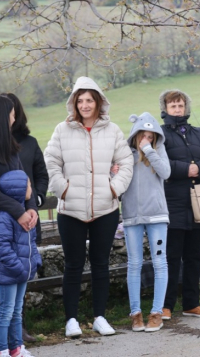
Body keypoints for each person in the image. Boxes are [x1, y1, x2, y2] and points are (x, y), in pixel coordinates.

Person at [44, 77, 133, 337]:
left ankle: (100, 317)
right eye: (80, 100)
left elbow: (126, 163)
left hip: (105, 209)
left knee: (100, 264)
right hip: (70, 210)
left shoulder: (113, 130)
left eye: (89, 100)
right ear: (74, 103)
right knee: (72, 265)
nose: (84, 105)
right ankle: (71, 320)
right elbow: (51, 160)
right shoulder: (62, 129)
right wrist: (64, 189)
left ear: (98, 102)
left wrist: (113, 189)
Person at [159, 89, 200, 319]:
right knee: (171, 257)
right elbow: (160, 163)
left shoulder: (199, 133)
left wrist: (199, 168)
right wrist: (187, 169)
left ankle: (192, 304)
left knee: (194, 256)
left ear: (186, 107)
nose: (177, 109)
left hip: (199, 203)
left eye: (180, 105)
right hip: (172, 203)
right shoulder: (160, 135)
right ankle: (166, 305)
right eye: (173, 106)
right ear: (165, 109)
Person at [3, 92, 48, 343]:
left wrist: (34, 202)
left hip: (27, 224)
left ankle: (18, 333)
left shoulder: (26, 143)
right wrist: (19, 209)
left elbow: (37, 177)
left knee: (22, 278)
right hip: (6, 224)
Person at [120, 112, 171, 332]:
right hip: (132, 216)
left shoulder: (158, 150)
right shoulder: (125, 153)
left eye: (151, 136)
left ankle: (157, 312)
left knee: (160, 263)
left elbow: (166, 173)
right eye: (143, 136)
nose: (146, 140)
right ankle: (135, 313)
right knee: (134, 264)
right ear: (135, 135)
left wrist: (149, 151)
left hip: (157, 215)